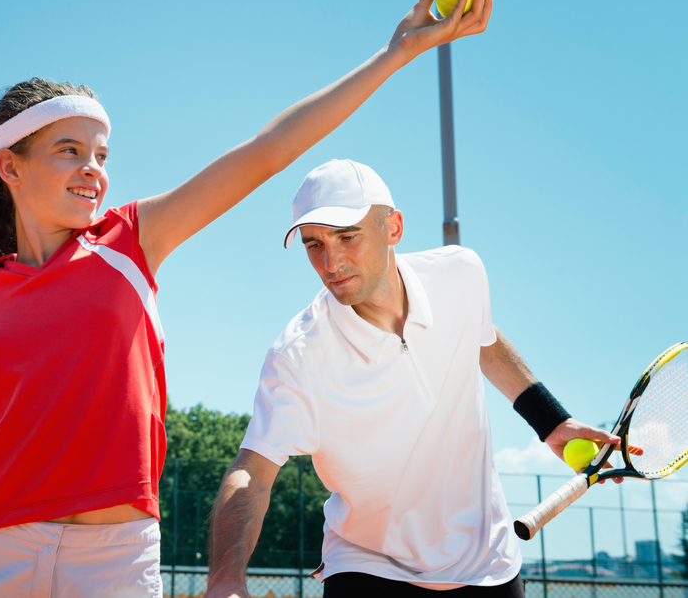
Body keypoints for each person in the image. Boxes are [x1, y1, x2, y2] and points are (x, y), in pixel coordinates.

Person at [0, 0, 492, 598]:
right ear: (10, 165)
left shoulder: (132, 239)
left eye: (101, 150)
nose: (94, 166)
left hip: (116, 556)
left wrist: (393, 54)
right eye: (69, 149)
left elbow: (264, 151)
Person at [205, 160, 623, 597]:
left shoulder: (460, 274)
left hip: (488, 564)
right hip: (366, 565)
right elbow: (252, 472)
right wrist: (226, 579)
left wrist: (551, 420)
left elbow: (481, 337)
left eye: (348, 236)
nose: (331, 261)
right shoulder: (297, 356)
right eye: (314, 244)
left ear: (393, 227)